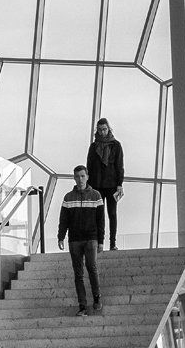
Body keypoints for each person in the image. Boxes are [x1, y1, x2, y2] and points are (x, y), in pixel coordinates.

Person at [57, 164, 104, 315]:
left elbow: (101, 221)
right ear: (74, 178)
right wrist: (61, 237)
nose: (80, 179)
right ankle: (82, 305)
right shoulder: (68, 197)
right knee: (78, 274)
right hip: (74, 240)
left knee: (92, 267)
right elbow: (63, 219)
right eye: (77, 176)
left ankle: (96, 298)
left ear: (87, 177)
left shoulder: (96, 196)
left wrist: (101, 241)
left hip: (91, 238)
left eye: (83, 176)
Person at [85, 117, 124, 251]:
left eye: (105, 129)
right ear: (97, 130)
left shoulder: (116, 145)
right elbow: (89, 166)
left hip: (112, 185)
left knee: (112, 214)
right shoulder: (93, 146)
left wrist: (120, 184)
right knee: (98, 215)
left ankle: (113, 243)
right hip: (97, 185)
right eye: (100, 130)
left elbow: (120, 166)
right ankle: (99, 243)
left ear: (109, 129)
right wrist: (88, 185)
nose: (102, 132)